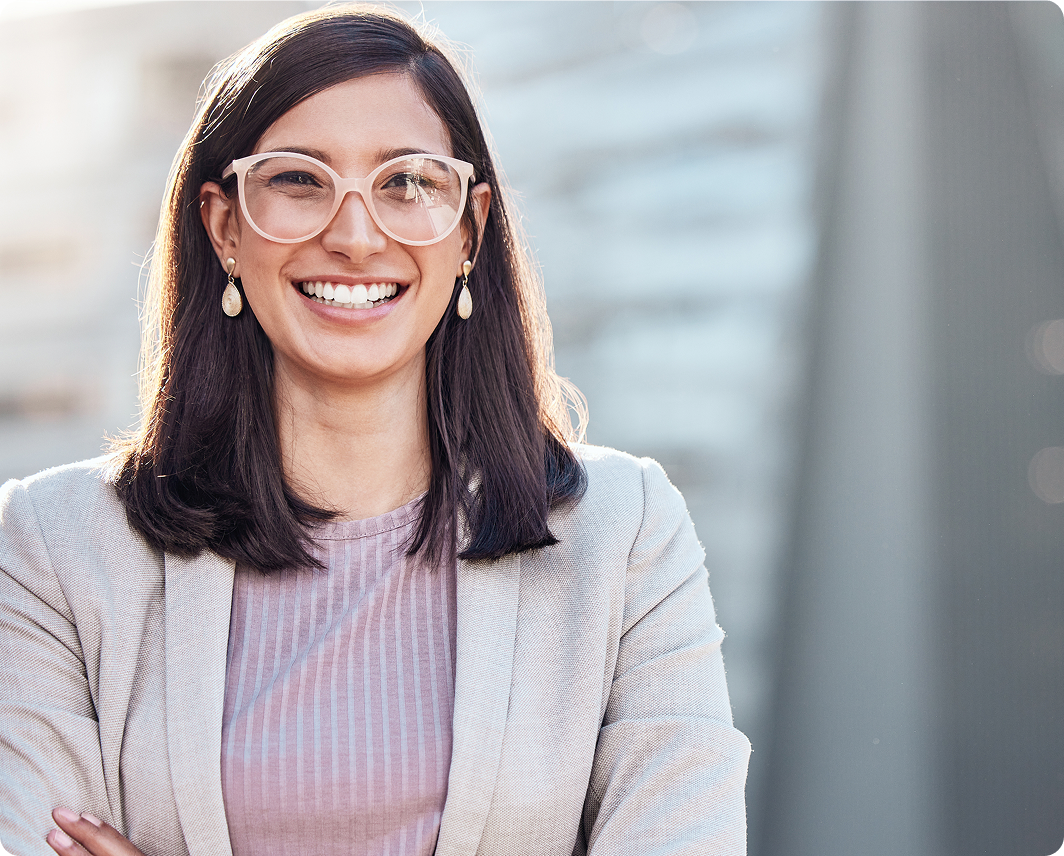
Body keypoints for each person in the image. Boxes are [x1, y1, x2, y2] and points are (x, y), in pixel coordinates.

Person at [0, 5, 751, 855]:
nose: (355, 236)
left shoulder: (627, 535)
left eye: (407, 183)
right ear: (224, 229)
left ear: (468, 229)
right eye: (297, 180)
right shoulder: (52, 549)